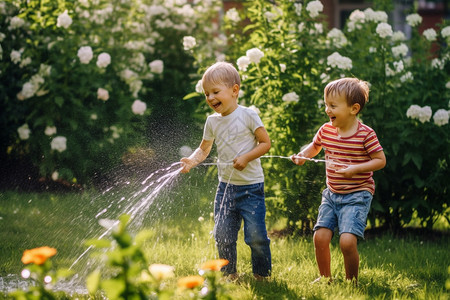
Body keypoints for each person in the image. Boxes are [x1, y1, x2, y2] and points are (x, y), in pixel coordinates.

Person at [180, 62, 272, 281]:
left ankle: (261, 275)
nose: (210, 98)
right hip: (226, 188)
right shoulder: (212, 122)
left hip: (251, 188)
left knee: (256, 236)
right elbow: (204, 149)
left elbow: (265, 143)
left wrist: (246, 157)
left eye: (215, 92)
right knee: (222, 234)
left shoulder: (248, 115)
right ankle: (230, 274)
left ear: (234, 90)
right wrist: (192, 161)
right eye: (207, 94)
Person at [291, 77, 386, 284]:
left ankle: (352, 281)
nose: (327, 110)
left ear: (354, 109)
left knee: (347, 242)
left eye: (333, 106)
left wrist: (356, 169)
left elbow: (380, 160)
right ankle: (325, 278)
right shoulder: (326, 130)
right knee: (320, 237)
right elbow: (315, 146)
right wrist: (303, 155)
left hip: (357, 194)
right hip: (332, 194)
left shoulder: (365, 135)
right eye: (326, 105)